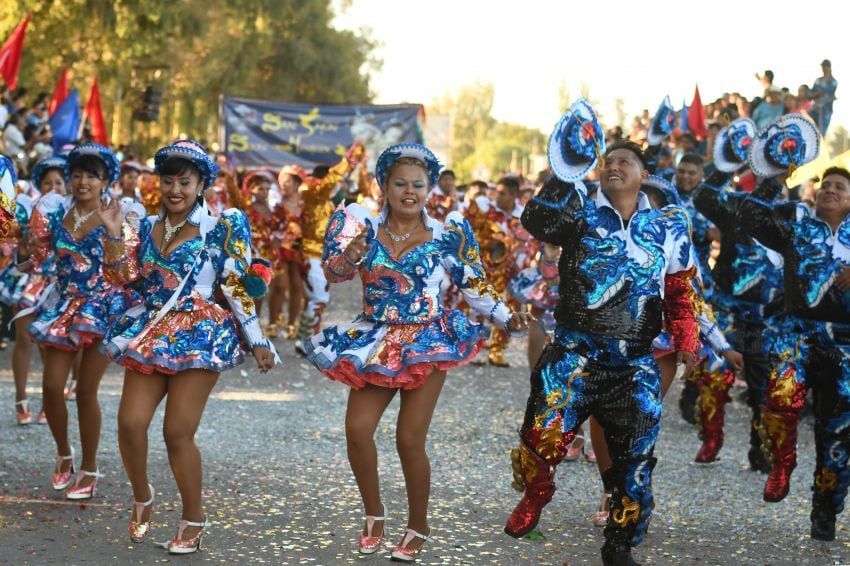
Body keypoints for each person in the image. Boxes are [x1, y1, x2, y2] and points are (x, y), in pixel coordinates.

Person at [305, 143, 531, 562]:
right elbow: (335, 274)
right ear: (385, 186)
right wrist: (351, 253)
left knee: (409, 439)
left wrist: (505, 316)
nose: (410, 192)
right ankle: (374, 514)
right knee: (357, 431)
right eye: (400, 184)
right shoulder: (364, 227)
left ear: (430, 189)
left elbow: (472, 284)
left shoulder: (447, 233)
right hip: (374, 340)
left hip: (426, 341)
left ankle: (418, 525)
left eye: (418, 185)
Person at [505, 99, 699, 566]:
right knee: (538, 439)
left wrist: (687, 339)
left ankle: (619, 543)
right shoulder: (579, 212)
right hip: (573, 356)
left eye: (624, 162)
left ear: (644, 173)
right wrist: (564, 169)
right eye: (607, 161)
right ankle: (537, 489)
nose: (613, 167)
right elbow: (535, 220)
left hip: (634, 362)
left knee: (634, 464)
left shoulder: (669, 225)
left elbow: (679, 288)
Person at [97, 139, 278, 554]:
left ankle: (193, 517)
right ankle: (143, 496)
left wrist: (258, 340)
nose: (175, 189)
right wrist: (111, 236)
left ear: (201, 185)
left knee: (177, 431)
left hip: (200, 333)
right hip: (152, 330)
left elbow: (235, 284)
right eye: (168, 180)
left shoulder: (223, 226)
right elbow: (124, 278)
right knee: (129, 423)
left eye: (185, 181)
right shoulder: (142, 226)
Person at [15, 143, 134, 500]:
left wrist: (114, 233)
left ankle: (90, 465)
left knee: (85, 390)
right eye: (78, 174)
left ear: (105, 180)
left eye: (92, 176)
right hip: (63, 306)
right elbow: (35, 260)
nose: (83, 182)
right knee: (51, 387)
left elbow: (124, 270)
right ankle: (64, 454)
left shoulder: (120, 214)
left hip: (103, 308)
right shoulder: (55, 211)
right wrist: (21, 245)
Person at [739, 166, 850, 541]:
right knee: (779, 400)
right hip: (796, 334)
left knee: (837, 436)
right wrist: (776, 175)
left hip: (845, 345)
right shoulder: (796, 228)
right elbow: (751, 215)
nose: (830, 191)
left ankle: (825, 507)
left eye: (840, 187)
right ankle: (781, 464)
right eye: (826, 186)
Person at [1, 156, 68, 425]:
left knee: (49, 346)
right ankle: (20, 399)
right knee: (24, 340)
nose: (53, 187)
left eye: (59, 182)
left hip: (58, 285)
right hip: (30, 282)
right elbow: (19, 249)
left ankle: (48, 402)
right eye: (47, 182)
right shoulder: (27, 210)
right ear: (39, 185)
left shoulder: (73, 213)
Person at [293, 144, 367, 356]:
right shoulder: (312, 193)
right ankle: (309, 341)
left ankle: (304, 339)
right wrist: (351, 159)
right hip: (310, 255)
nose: (336, 188)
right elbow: (331, 181)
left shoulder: (324, 203)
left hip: (320, 257)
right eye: (332, 184)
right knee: (319, 299)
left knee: (317, 299)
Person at [464, 176, 526, 366]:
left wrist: (521, 266)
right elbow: (467, 232)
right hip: (484, 269)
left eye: (502, 193)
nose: (496, 196)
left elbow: (526, 244)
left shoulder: (523, 215)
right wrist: (485, 245)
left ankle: (497, 350)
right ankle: (476, 350)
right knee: (480, 308)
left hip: (511, 271)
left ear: (514, 195)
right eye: (496, 192)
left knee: (509, 308)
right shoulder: (486, 211)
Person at [273, 165, 306, 338]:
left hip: (299, 249)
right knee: (280, 285)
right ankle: (273, 322)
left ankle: (292, 324)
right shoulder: (276, 202)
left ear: (296, 183)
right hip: (279, 249)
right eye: (281, 181)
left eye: (287, 181)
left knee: (297, 287)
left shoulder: (305, 202)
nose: (283, 185)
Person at [810, 59, 838, 137]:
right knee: (810, 127)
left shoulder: (833, 81)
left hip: (825, 111)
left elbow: (830, 95)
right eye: (823, 66)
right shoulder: (818, 80)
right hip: (815, 108)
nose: (824, 68)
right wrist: (817, 94)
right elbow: (811, 93)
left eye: (825, 66)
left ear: (829, 67)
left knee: (821, 133)